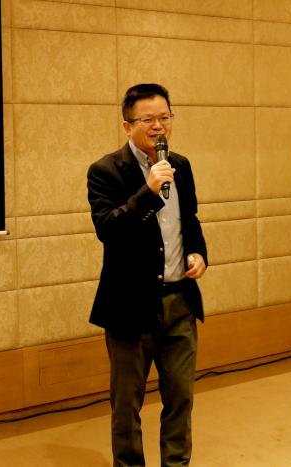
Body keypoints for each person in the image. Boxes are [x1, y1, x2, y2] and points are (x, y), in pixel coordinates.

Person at [87, 83, 208, 467]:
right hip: (129, 306)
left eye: (164, 117)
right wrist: (149, 190)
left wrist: (198, 253)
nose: (159, 126)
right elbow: (108, 229)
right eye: (148, 120)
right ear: (128, 125)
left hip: (180, 300)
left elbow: (189, 220)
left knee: (181, 398)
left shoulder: (181, 166)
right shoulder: (106, 171)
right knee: (127, 404)